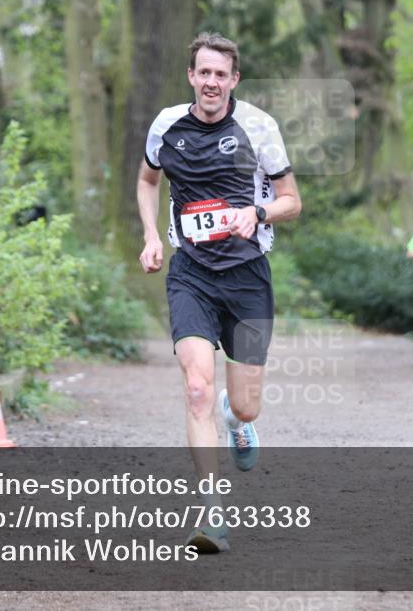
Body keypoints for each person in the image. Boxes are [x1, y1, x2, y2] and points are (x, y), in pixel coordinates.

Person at [136, 32, 302, 554]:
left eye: (220, 75)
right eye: (202, 73)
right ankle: (211, 514)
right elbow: (146, 180)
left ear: (233, 80)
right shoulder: (166, 125)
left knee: (245, 405)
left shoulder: (258, 126)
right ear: (191, 76)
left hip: (248, 274)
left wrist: (255, 214)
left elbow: (292, 200)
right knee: (196, 389)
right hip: (191, 273)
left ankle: (238, 421)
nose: (211, 82)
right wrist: (150, 235)